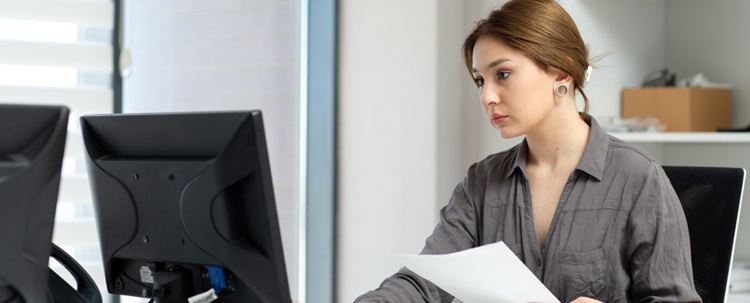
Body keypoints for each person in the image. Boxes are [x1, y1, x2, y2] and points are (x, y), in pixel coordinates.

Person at [354, 0, 701, 302]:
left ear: (561, 72)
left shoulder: (638, 179)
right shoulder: (482, 182)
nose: (487, 96)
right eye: (480, 80)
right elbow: (423, 285)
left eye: (502, 74)